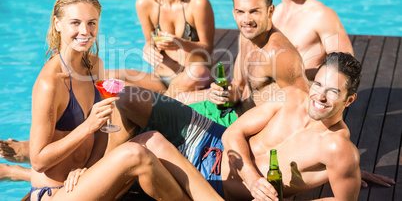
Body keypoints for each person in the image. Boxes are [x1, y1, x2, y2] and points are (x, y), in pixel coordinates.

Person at [10, 0, 222, 201]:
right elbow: (38, 160)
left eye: (91, 23)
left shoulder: (95, 65)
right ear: (57, 24)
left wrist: (90, 170)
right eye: (75, 23)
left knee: (151, 139)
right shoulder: (50, 83)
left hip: (79, 181)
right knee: (134, 154)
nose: (85, 31)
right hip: (52, 194)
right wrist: (88, 126)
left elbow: (102, 132)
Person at [108, 52, 364, 200]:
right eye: (318, 85)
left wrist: (349, 167)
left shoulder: (337, 148)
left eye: (332, 92)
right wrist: (253, 180)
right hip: (212, 137)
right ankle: (89, 169)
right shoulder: (292, 96)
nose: (319, 96)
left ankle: (89, 181)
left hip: (210, 181)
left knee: (141, 150)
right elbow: (234, 131)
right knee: (126, 95)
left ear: (349, 99)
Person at [180, 0, 308, 125]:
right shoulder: (245, 36)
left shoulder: (279, 54)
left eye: (254, 12)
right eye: (240, 12)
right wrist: (223, 95)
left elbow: (303, 107)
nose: (247, 20)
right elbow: (239, 87)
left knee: (168, 122)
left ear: (270, 11)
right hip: (233, 112)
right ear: (234, 13)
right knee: (173, 104)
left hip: (249, 129)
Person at [106, 0, 215, 98]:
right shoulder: (145, 3)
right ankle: (167, 100)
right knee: (108, 75)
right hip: (160, 79)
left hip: (192, 78)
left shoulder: (197, 2)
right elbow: (150, 41)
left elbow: (207, 49)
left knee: (197, 71)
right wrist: (148, 48)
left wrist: (180, 43)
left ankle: (160, 105)